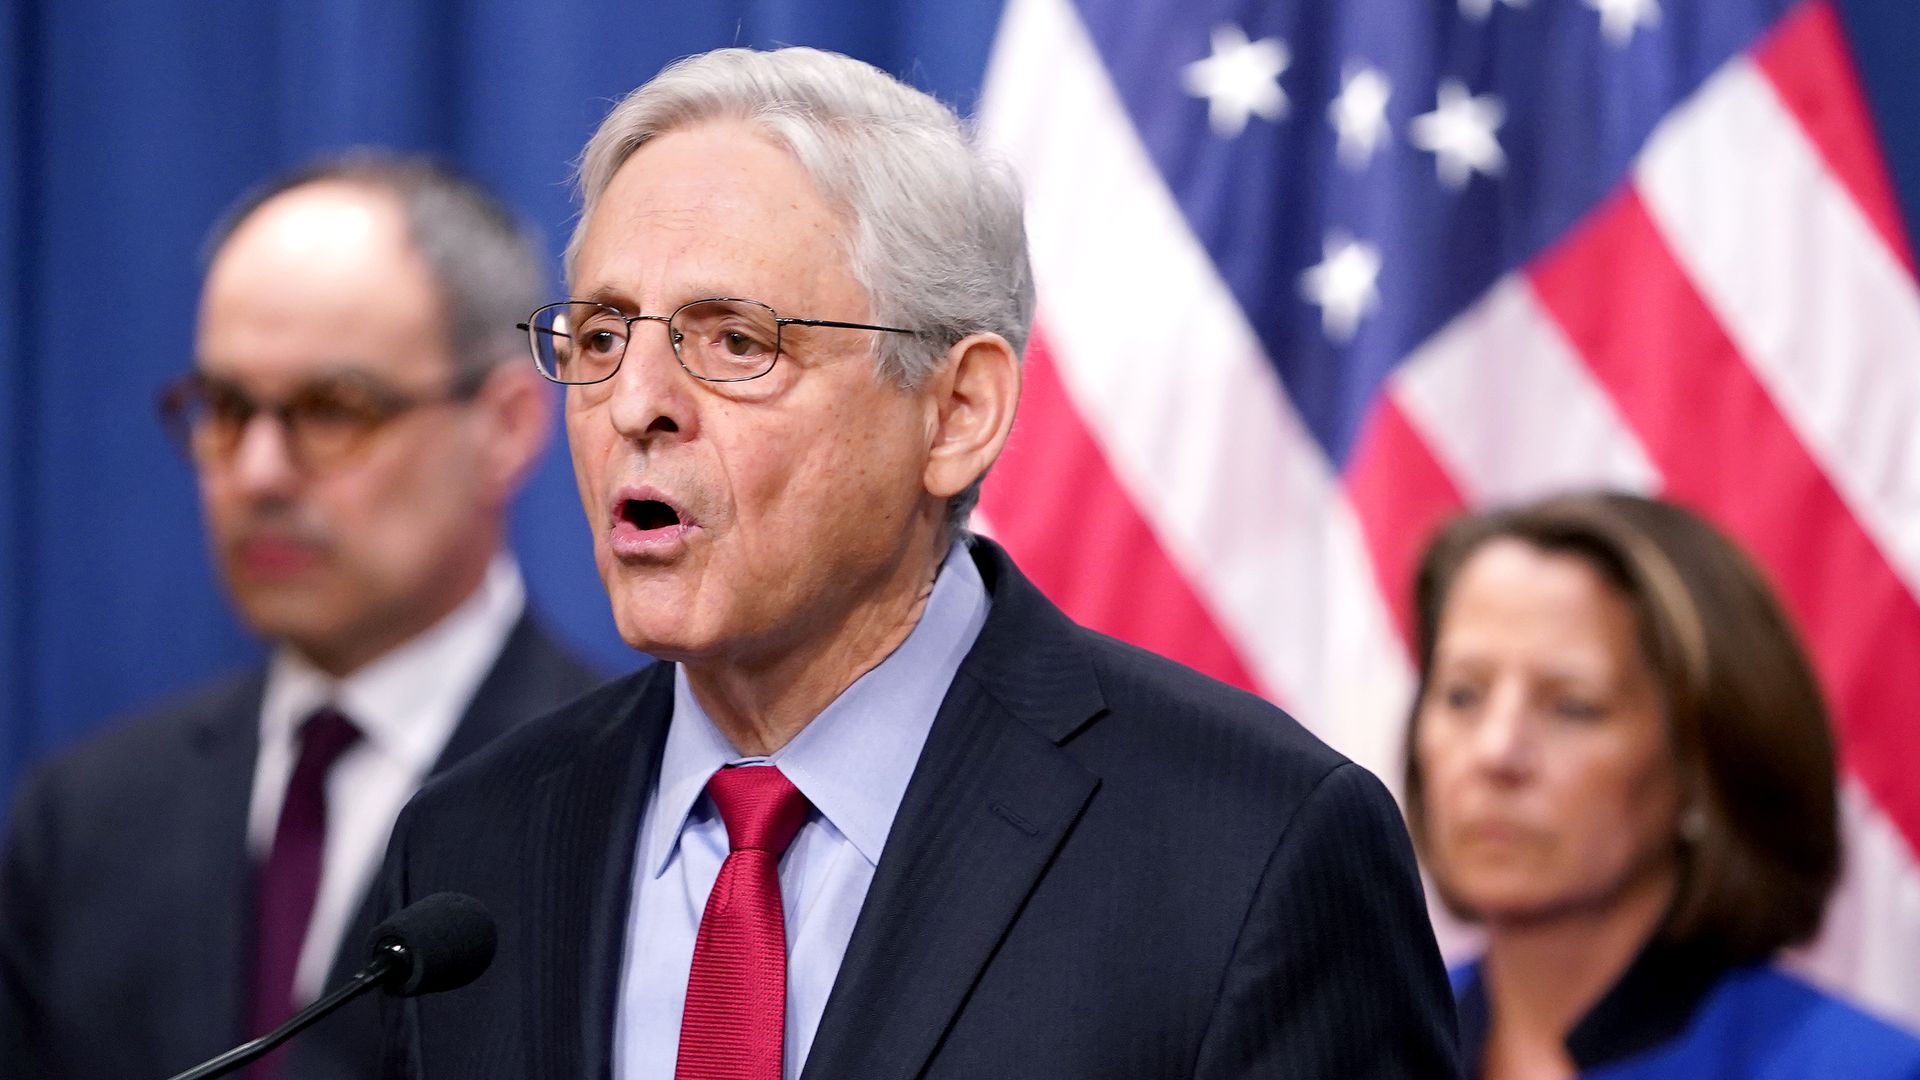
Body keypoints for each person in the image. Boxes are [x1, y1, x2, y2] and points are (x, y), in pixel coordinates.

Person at [374, 46, 1460, 1080]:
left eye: (734, 342)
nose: (635, 406)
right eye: (603, 337)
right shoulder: (475, 847)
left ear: (956, 412)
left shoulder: (1252, 850)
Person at [0, 155, 605, 1080]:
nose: (258, 474)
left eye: (332, 408)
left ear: (507, 429)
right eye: (228, 409)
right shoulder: (83, 819)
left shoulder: (620, 799)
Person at [1404, 491, 1920, 1078]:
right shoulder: (1358, 1040)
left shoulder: (1863, 1069)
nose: (1495, 752)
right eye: (1462, 694)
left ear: (1702, 765)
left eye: (1572, 707)